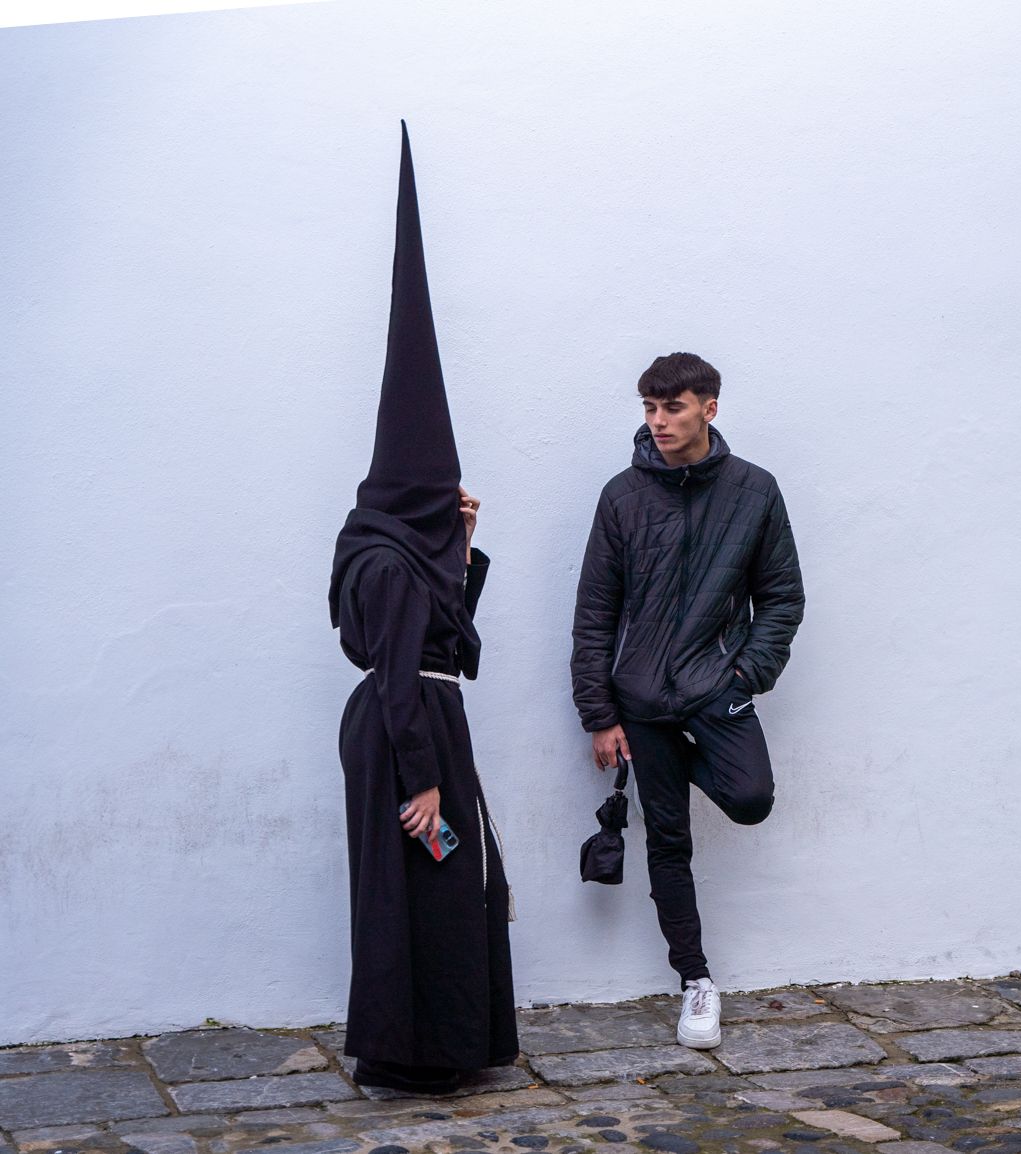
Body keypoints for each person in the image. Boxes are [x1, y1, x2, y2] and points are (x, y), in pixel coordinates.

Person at [329, 124, 517, 1094]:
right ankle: (425, 1059)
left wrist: (462, 546)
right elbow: (412, 671)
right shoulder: (396, 569)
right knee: (437, 887)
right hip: (413, 727)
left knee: (407, 893)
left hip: (402, 719)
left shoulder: (380, 544)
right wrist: (427, 780)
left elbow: (449, 645)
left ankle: (407, 1049)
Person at [570, 352, 804, 1049]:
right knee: (668, 842)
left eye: (672, 407)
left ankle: (673, 751)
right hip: (640, 698)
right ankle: (696, 981)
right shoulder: (622, 496)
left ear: (709, 408)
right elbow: (594, 614)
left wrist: (745, 675)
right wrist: (600, 715)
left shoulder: (754, 490)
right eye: (649, 407)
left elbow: (782, 598)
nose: (658, 421)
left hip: (716, 688)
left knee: (751, 797)